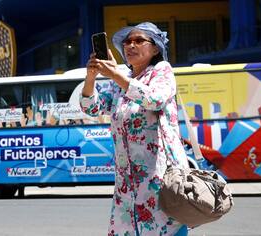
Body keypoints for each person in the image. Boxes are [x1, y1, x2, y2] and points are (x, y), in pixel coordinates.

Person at [80, 22, 189, 235]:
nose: (131, 45)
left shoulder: (161, 71)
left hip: (159, 179)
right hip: (126, 184)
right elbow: (91, 108)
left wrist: (115, 76)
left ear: (155, 47)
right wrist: (91, 76)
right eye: (127, 42)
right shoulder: (122, 80)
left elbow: (154, 99)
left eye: (139, 40)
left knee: (164, 229)